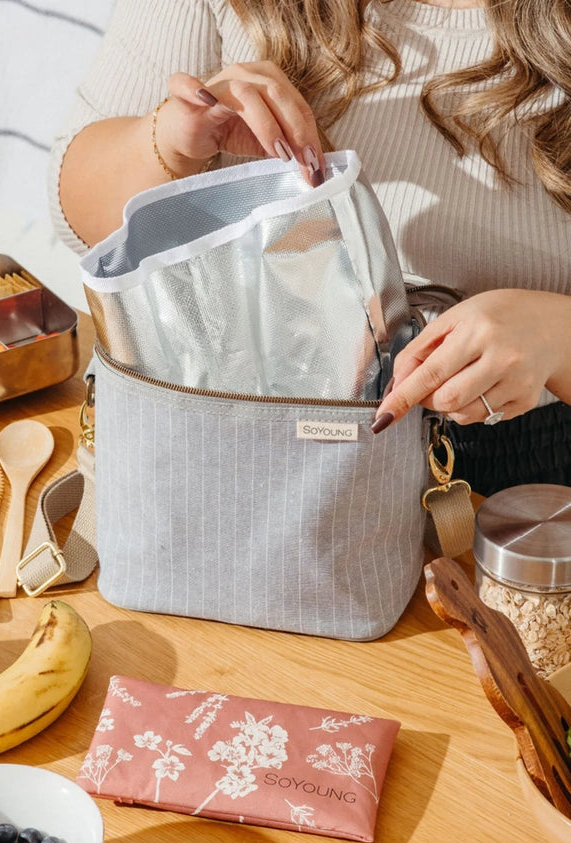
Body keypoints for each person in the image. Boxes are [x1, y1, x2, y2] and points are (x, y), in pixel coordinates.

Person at [48, 0, 571, 496]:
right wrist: (169, 138)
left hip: (520, 486)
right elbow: (78, 219)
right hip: (222, 426)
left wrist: (557, 333)